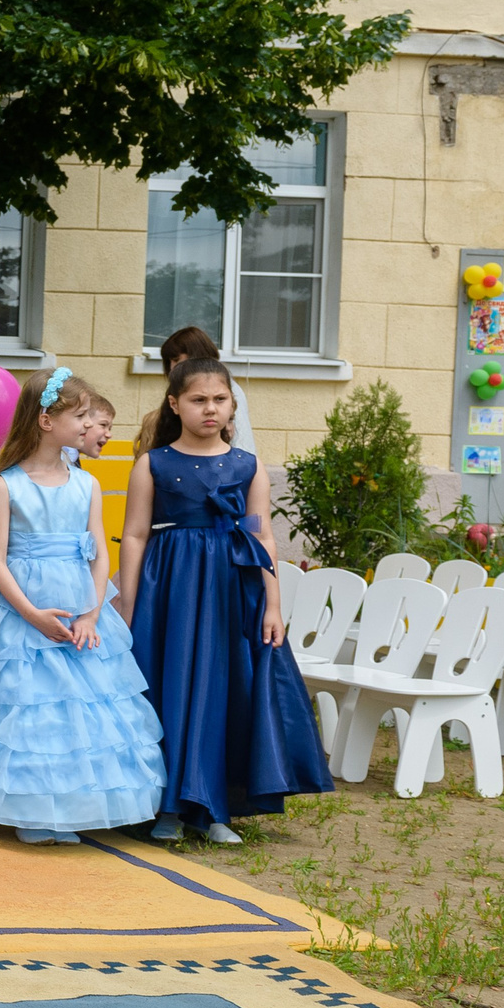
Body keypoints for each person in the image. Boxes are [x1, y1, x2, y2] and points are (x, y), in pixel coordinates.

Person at [0, 369, 165, 844]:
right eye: (79, 415)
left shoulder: (87, 485)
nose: (87, 424)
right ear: (45, 420)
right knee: (29, 707)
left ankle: (76, 807)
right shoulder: (7, 486)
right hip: (25, 609)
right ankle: (33, 809)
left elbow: (100, 553)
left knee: (82, 709)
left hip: (80, 608)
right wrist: (32, 615)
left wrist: (91, 613)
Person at [118, 357, 332, 845]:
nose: (209, 409)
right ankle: (165, 806)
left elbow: (262, 537)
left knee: (223, 689)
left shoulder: (249, 467)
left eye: (219, 399)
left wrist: (273, 605)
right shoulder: (152, 463)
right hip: (168, 587)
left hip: (232, 591)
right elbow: (134, 535)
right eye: (198, 400)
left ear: (233, 405)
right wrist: (128, 602)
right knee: (167, 687)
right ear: (175, 404)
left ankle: (216, 809)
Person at [154, 326, 255, 456]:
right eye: (199, 400)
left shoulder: (228, 387)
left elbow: (238, 437)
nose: (172, 366)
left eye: (176, 359)